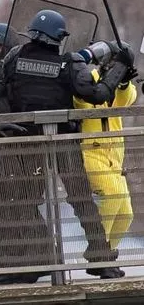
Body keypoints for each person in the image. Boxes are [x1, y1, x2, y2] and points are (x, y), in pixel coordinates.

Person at [0, 9, 135, 284]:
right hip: (63, 143)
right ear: (58, 38)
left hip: (24, 143)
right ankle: (101, 260)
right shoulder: (69, 64)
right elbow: (99, 94)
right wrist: (120, 67)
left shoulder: (14, 57)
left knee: (24, 202)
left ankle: (34, 260)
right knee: (81, 201)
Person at [73, 41, 137, 263]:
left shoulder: (114, 90)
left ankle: (106, 251)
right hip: (92, 153)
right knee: (110, 198)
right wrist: (105, 75)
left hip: (114, 160)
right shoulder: (90, 83)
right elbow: (83, 98)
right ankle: (98, 250)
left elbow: (126, 99)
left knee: (126, 214)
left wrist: (124, 81)